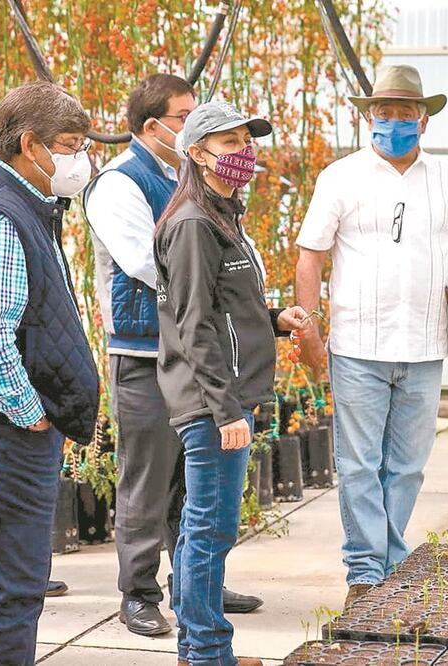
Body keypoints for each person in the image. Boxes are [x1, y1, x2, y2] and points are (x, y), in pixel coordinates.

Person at [294, 64, 448, 609]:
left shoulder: (446, 179)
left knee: (406, 466)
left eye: (406, 114)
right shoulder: (341, 177)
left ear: (424, 122)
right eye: (385, 113)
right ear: (369, 118)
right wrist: (308, 327)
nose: (395, 123)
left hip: (424, 347)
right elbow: (310, 257)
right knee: (359, 464)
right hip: (358, 346)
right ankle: (366, 570)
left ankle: (388, 562)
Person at [85, 74, 262, 638]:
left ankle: (195, 583)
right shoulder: (120, 182)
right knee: (147, 476)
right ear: (151, 126)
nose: (190, 124)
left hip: (192, 351)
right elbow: (145, 261)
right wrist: (203, 283)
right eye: (183, 116)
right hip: (144, 348)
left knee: (195, 484)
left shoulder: (189, 182)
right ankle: (138, 592)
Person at [0, 81, 100, 665]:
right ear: (31, 145)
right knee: (10, 592)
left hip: (12, 433)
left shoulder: (27, 206)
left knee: (21, 584)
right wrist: (32, 415)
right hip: (2, 434)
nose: (81, 160)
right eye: (71, 146)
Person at [155, 100, 308, 666]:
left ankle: (196, 648)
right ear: (197, 154)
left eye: (247, 140)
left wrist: (274, 320)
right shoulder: (194, 224)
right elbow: (193, 325)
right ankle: (208, 652)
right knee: (209, 530)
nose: (245, 150)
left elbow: (224, 307)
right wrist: (225, 411)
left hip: (223, 396)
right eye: (229, 142)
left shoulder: (221, 215)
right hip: (210, 402)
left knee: (205, 527)